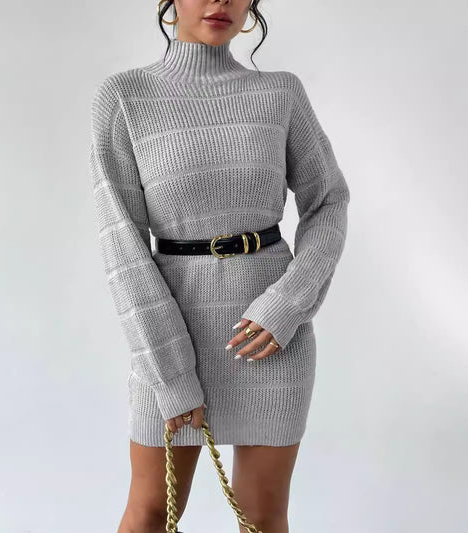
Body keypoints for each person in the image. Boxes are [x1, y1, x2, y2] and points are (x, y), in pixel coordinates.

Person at [88, 1, 350, 531]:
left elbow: (328, 202)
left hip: (269, 341)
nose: (221, 1)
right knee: (149, 515)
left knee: (263, 517)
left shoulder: (280, 93)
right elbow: (122, 246)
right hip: (168, 336)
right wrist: (172, 373)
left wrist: (286, 305)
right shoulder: (124, 97)